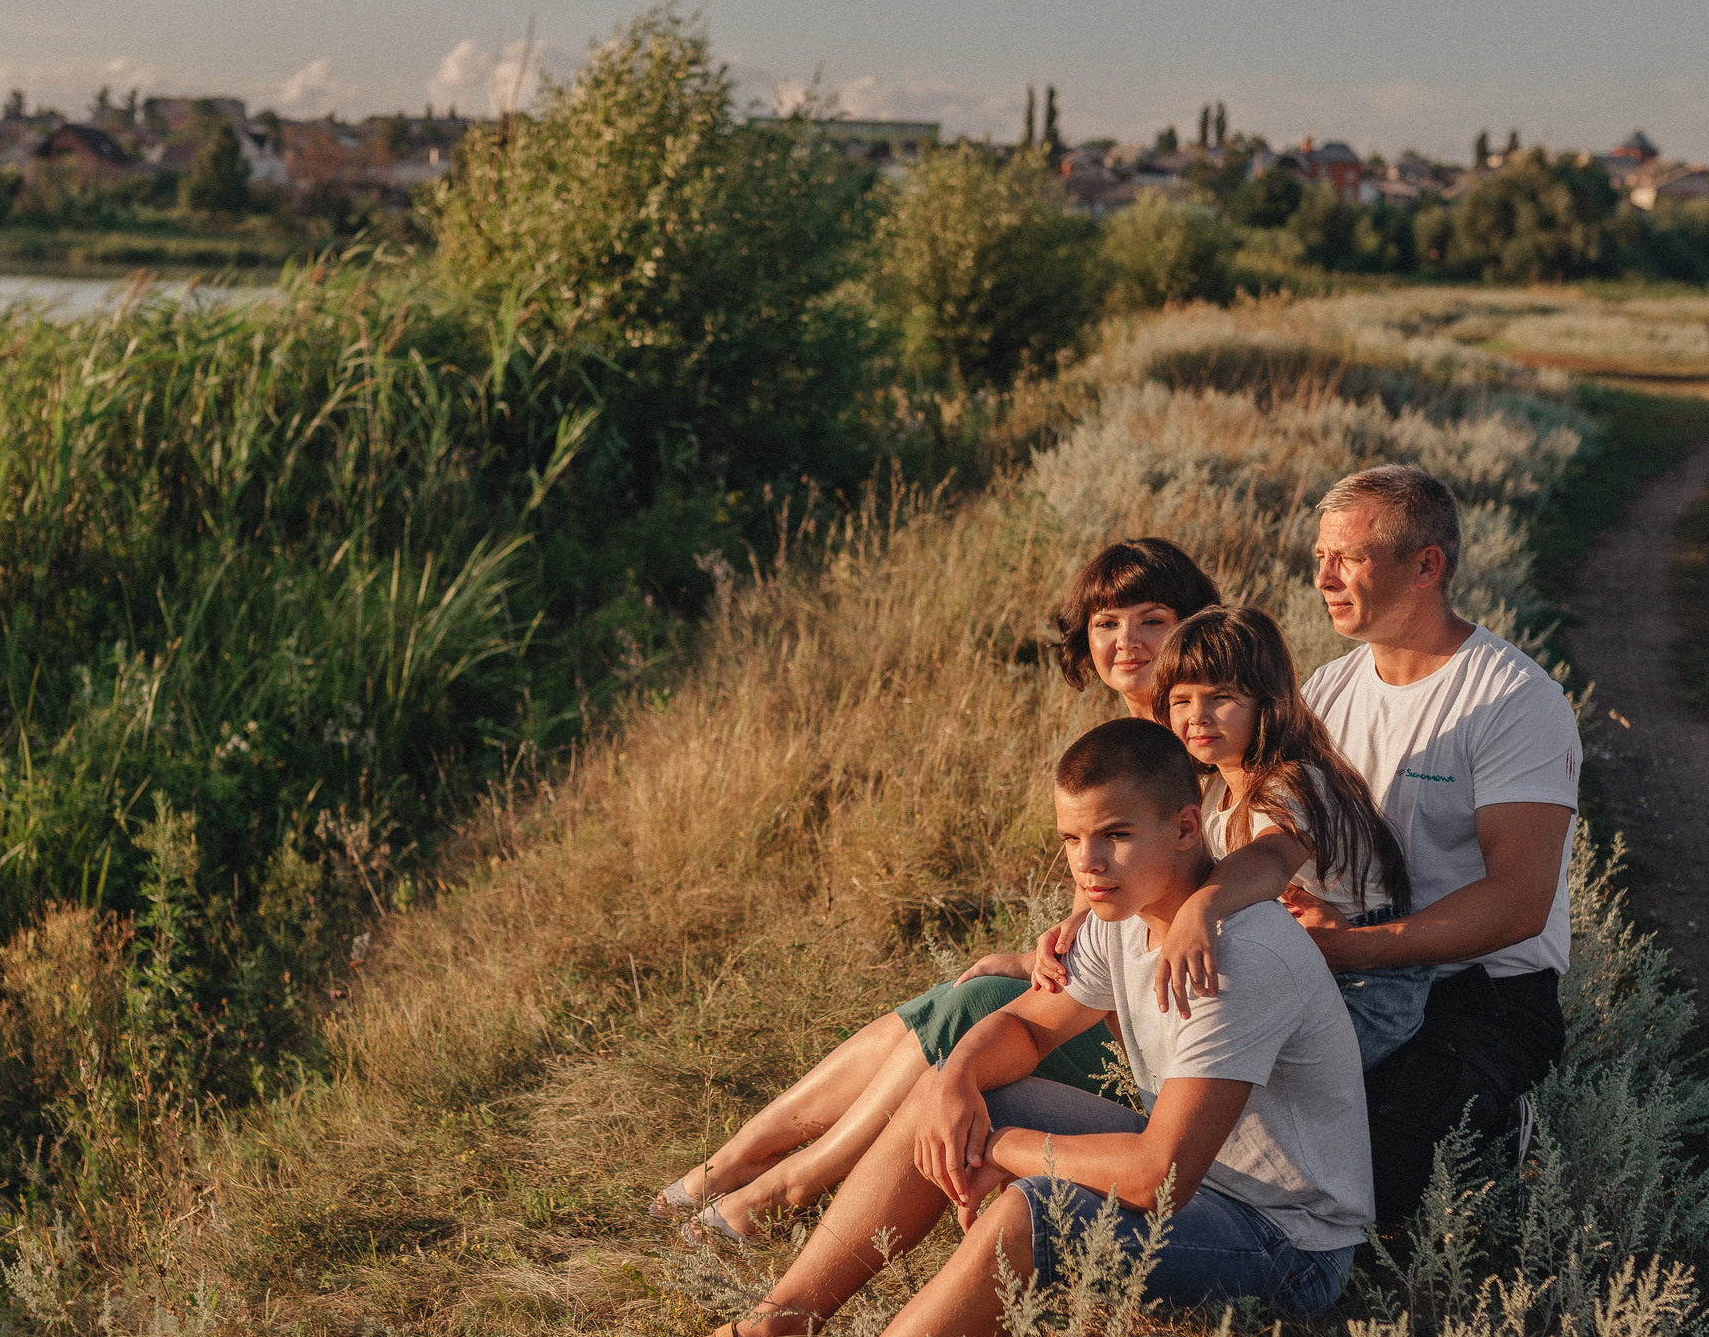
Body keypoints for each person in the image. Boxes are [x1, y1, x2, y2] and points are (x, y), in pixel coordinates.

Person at [630, 718, 1371, 1337]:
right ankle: (782, 1325)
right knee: (952, 1095)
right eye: (1073, 838)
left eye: (1117, 836)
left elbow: (1157, 1177)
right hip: (1196, 1177)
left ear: (1186, 825)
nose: (1089, 863)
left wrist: (1007, 1153)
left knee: (1031, 1210)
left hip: (1283, 1238)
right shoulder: (1123, 912)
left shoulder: (1241, 955)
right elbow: (1027, 1028)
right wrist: (953, 1081)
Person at [650, 539, 1222, 1245]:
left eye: (1151, 619)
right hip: (1103, 989)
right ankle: (742, 1155)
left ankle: (789, 1182)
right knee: (959, 994)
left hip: (1161, 1021)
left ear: (1192, 626)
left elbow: (1168, 906)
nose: (1126, 641)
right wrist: (1030, 956)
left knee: (972, 1008)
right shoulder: (1122, 740)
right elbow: (1102, 914)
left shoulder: (1202, 741)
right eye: (1107, 623)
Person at [1288, 464, 1582, 1222]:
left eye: (1348, 556)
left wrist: (1353, 950)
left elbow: (1519, 904)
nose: (1324, 576)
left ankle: (1500, 1131)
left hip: (1484, 993)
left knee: (1363, 1184)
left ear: (1427, 564)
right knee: (1267, 1138)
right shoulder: (1325, 691)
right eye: (1319, 554)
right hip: (1353, 971)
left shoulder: (1514, 700)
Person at [1147, 604, 1432, 1070]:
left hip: (1368, 986)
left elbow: (1272, 856)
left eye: (1220, 697)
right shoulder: (1213, 786)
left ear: (1266, 702)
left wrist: (1202, 906)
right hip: (1302, 965)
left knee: (1248, 1076)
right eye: (1181, 700)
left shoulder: (1292, 781)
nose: (1197, 716)